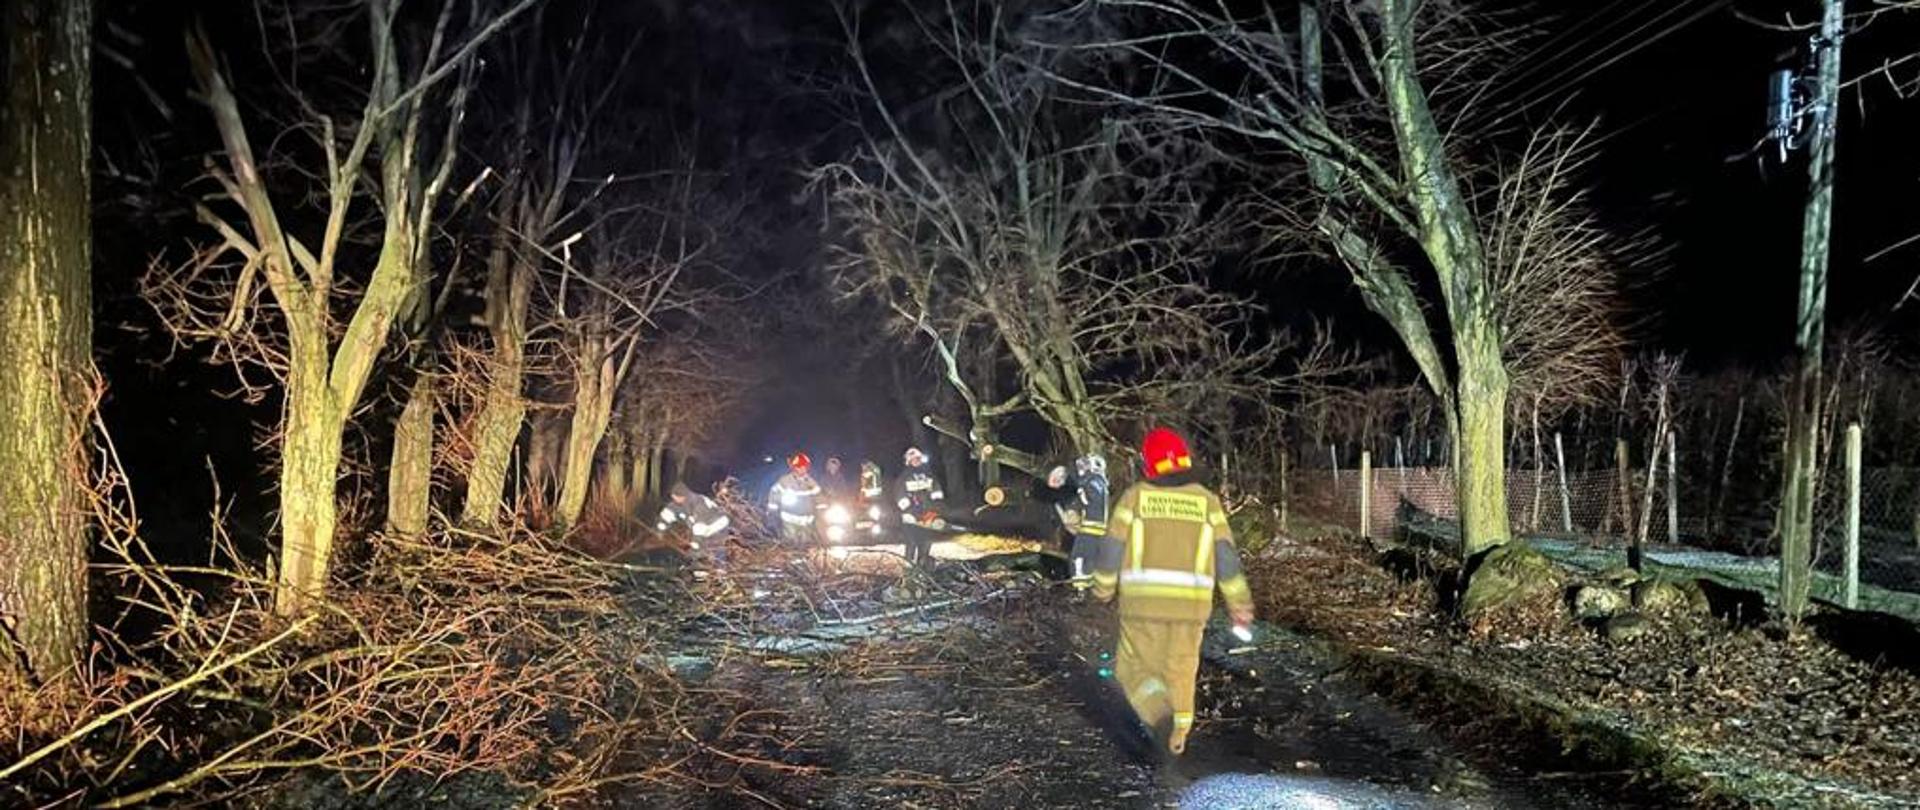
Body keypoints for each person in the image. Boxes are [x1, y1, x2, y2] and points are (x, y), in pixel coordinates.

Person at [1091, 427, 1255, 757]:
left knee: (1130, 669)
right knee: (1180, 672)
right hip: (1190, 610)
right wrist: (1240, 604)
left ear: (1148, 465)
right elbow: (1225, 557)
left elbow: (1111, 549)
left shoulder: (1135, 498)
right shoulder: (1207, 502)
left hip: (1142, 606)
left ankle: (1156, 714)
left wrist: (1103, 588)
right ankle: (1176, 741)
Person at [658, 483, 733, 570]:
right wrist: (660, 529)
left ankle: (720, 572)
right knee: (698, 550)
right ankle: (700, 569)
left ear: (682, 496)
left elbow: (700, 528)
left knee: (715, 548)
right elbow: (668, 514)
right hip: (703, 527)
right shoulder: (678, 504)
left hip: (718, 526)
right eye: (672, 497)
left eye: (674, 496)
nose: (673, 499)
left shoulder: (698, 503)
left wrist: (696, 546)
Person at [893, 446, 945, 565]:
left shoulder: (929, 475)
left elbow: (937, 492)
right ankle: (909, 567)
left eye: (918, 458)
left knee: (926, 541)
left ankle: (923, 565)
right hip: (910, 515)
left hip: (928, 513)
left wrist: (936, 507)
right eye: (914, 459)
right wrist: (909, 509)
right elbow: (899, 494)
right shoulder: (904, 477)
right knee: (911, 542)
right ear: (909, 461)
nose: (916, 461)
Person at [1069, 453, 1110, 589]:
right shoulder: (1101, 483)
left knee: (1078, 558)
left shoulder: (1093, 483)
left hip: (1090, 528)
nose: (1082, 468)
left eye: (1086, 464)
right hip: (1098, 529)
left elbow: (1090, 502)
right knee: (1090, 559)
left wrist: (1080, 499)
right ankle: (1090, 589)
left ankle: (1080, 589)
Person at [766, 453, 822, 543]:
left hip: (806, 520)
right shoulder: (785, 481)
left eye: (804, 467)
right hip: (789, 518)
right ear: (794, 468)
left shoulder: (811, 483)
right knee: (790, 544)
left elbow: (819, 498)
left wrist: (821, 512)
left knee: (806, 545)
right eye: (799, 467)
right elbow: (774, 494)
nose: (801, 469)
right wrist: (772, 513)